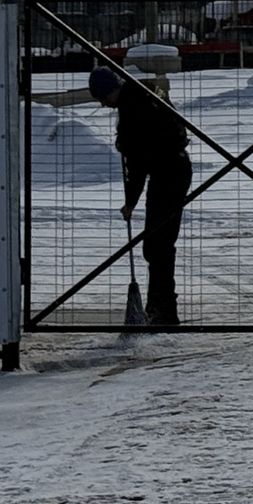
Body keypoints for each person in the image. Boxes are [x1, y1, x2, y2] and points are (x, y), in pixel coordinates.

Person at [88, 65, 192, 326]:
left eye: (102, 98)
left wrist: (130, 202)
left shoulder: (133, 107)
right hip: (174, 169)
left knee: (158, 245)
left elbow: (137, 162)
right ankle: (158, 306)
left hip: (168, 173)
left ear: (111, 90)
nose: (103, 104)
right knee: (157, 243)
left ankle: (164, 311)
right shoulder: (143, 92)